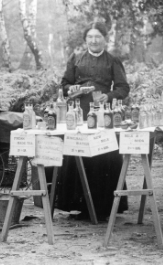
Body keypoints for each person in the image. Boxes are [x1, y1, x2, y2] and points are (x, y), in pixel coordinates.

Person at [55, 22, 130, 221]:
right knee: (78, 154)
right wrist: (70, 89)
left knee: (103, 156)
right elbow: (64, 85)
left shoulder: (112, 60)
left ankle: (104, 208)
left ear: (104, 39)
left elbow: (123, 88)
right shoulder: (76, 59)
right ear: (85, 39)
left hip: (103, 115)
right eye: (90, 37)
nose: (94, 40)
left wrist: (109, 95)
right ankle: (77, 205)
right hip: (78, 114)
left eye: (98, 37)